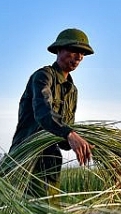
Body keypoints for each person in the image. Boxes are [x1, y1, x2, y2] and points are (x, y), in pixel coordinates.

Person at [7, 28, 95, 198]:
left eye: (83, 53)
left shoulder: (72, 90)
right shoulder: (43, 77)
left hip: (51, 163)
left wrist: (84, 143)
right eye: (74, 50)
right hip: (27, 158)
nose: (79, 57)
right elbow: (43, 114)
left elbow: (63, 141)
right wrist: (69, 133)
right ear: (59, 50)